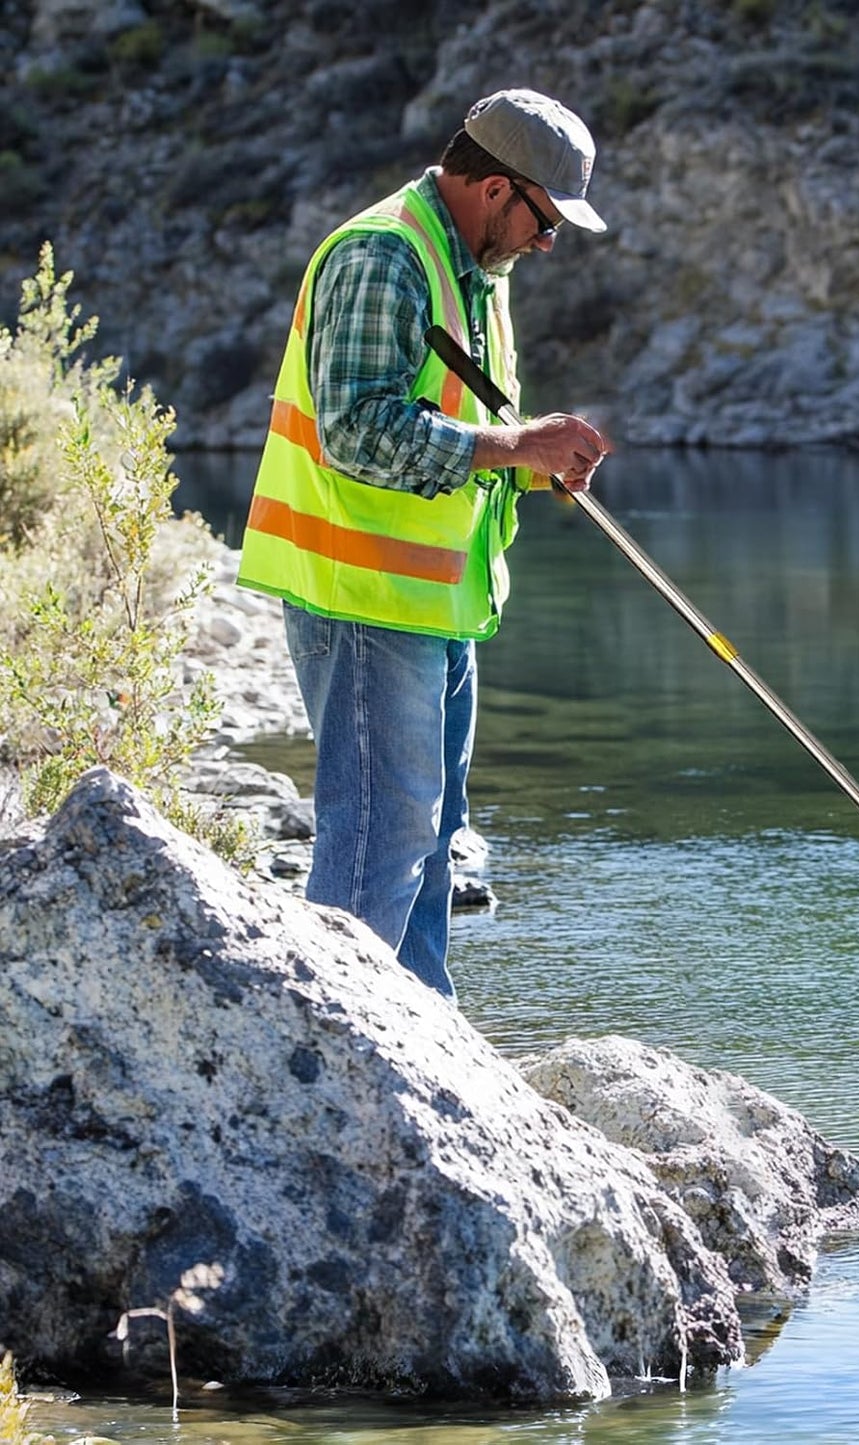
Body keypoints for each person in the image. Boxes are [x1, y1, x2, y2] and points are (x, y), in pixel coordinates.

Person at [237, 88, 609, 999]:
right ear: (494, 188)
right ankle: (338, 1058)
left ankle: (427, 1051)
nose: (547, 242)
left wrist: (527, 461)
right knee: (378, 845)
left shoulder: (477, 270)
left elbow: (461, 432)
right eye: (545, 219)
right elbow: (357, 430)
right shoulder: (383, 255)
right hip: (364, 602)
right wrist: (513, 447)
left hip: (437, 604)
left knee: (433, 842)